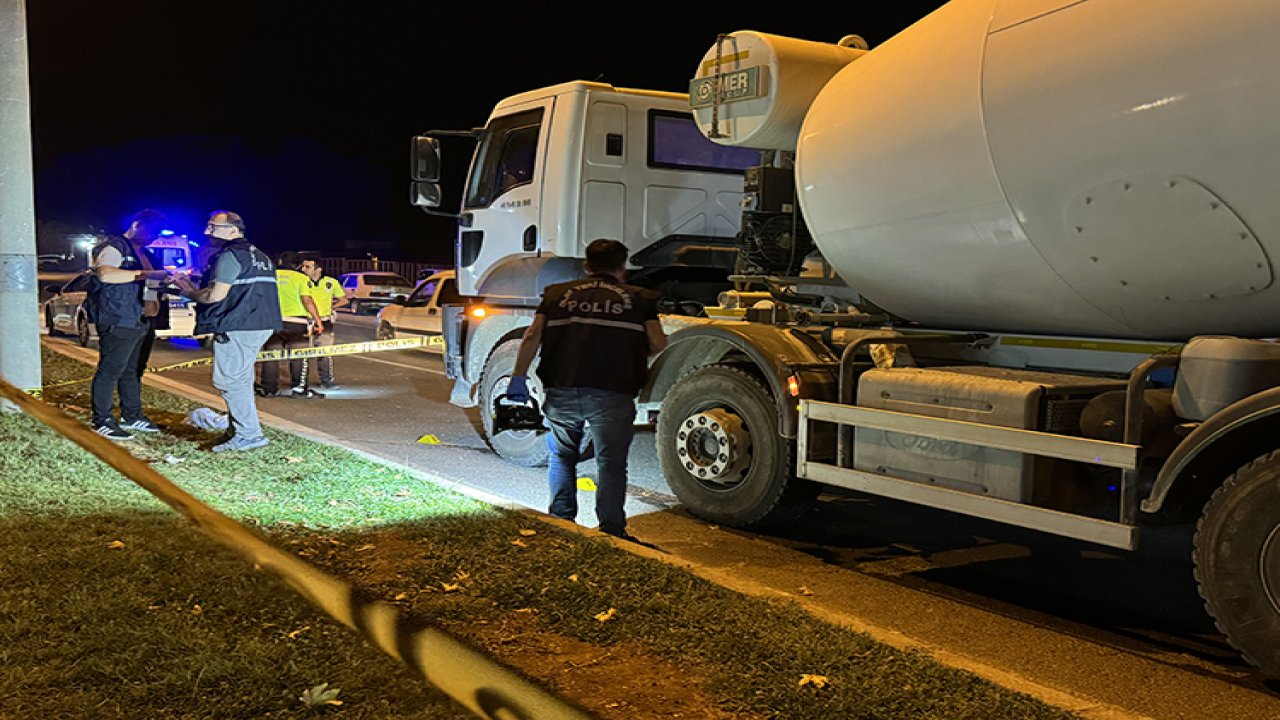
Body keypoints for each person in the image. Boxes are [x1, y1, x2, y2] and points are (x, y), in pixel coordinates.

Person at [507, 239, 667, 542]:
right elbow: (658, 343)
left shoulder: (556, 295)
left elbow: (532, 336)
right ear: (622, 267)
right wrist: (628, 352)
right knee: (611, 462)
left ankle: (562, 520)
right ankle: (611, 530)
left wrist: (518, 377)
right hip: (613, 392)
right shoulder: (639, 299)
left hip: (562, 389)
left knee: (563, 455)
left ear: (586, 265)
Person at [173, 210, 282, 452]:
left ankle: (249, 435)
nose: (206, 232)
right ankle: (239, 430)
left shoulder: (230, 254)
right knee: (240, 380)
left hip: (238, 323)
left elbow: (215, 295)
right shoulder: (260, 255)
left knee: (229, 380)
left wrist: (187, 291)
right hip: (260, 322)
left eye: (213, 227)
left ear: (233, 230)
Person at [86, 208, 172, 440]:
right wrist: (143, 274)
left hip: (140, 320)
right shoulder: (115, 247)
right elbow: (105, 275)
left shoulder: (146, 252)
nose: (153, 237)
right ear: (136, 224)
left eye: (157, 233)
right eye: (150, 231)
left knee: (132, 371)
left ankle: (132, 415)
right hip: (118, 317)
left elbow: (151, 286)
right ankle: (102, 419)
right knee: (110, 370)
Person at [258, 251, 325, 398]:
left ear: (280, 261)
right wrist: (318, 321)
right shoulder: (301, 278)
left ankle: (269, 390)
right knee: (299, 356)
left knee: (271, 356)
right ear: (298, 265)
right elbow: (307, 300)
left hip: (273, 322)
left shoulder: (270, 276)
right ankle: (299, 389)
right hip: (296, 323)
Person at [301, 258, 348, 390]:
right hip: (307, 321)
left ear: (318, 269)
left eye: (307, 267)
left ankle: (326, 380)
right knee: (303, 354)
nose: (303, 269)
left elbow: (344, 299)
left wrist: (331, 308)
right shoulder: (302, 281)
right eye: (303, 266)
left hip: (325, 321)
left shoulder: (330, 282)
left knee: (325, 353)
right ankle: (301, 382)